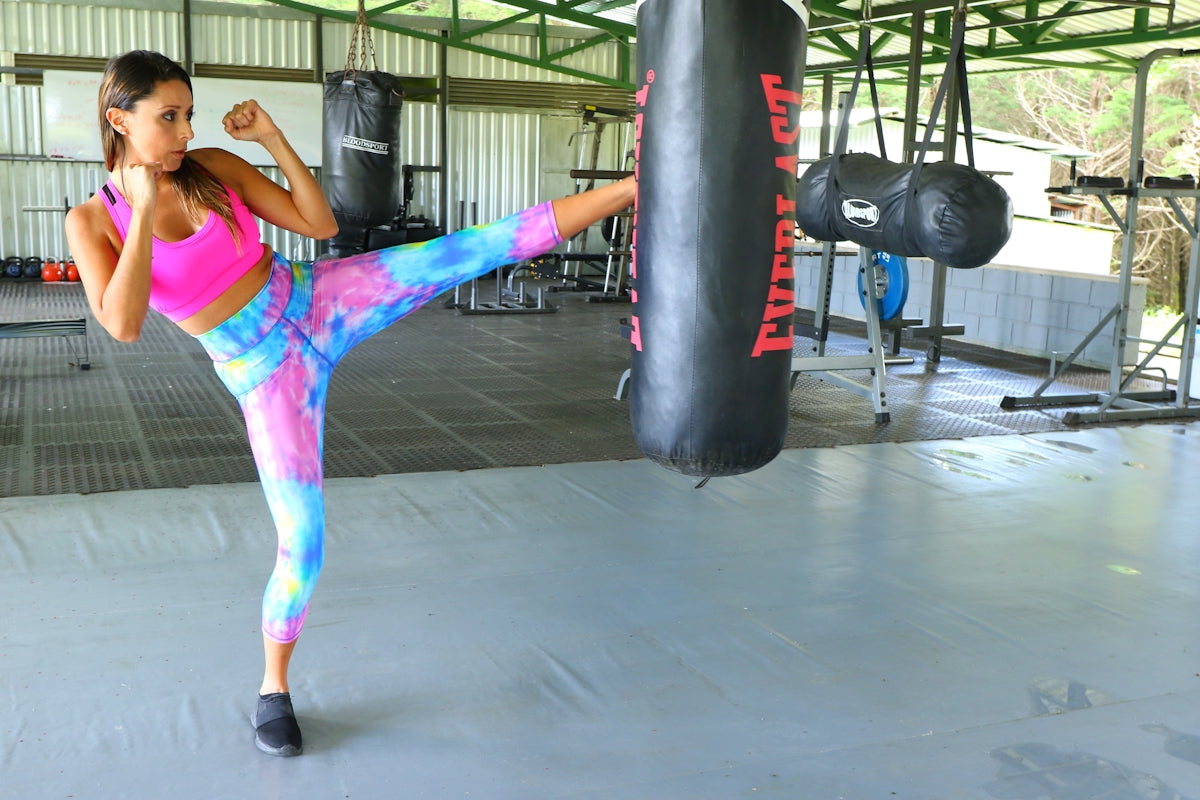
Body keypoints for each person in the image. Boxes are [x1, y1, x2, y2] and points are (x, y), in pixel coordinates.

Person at [64, 49, 637, 758]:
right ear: (120, 118)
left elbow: (320, 225)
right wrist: (144, 215)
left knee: (465, 250)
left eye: (188, 114)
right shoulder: (94, 220)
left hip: (317, 298)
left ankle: (633, 189)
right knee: (302, 544)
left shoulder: (213, 166)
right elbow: (120, 325)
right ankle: (274, 689)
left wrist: (272, 140)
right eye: (168, 117)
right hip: (266, 373)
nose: (184, 132)